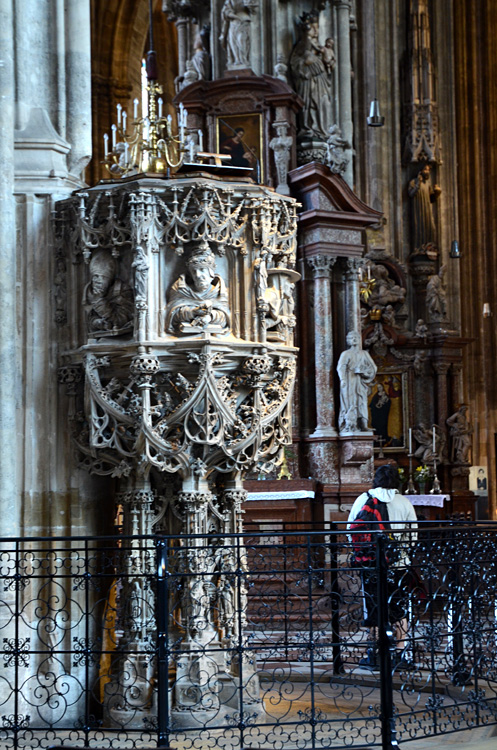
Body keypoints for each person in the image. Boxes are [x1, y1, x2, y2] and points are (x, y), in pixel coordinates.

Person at [348, 464, 418, 670]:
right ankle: (399, 652)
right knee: (399, 607)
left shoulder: (363, 499)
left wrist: (363, 552)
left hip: (370, 564)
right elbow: (413, 536)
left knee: (373, 606)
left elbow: (350, 529)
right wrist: (400, 553)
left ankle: (375, 652)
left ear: (375, 479)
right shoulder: (404, 502)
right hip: (398, 564)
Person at [165, 243, 231, 334]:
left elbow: (225, 317)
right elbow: (172, 316)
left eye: (202, 269)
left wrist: (210, 317)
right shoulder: (180, 289)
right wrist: (192, 312)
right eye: (193, 271)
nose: (198, 275)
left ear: (211, 271)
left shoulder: (219, 291)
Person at [83, 250, 134, 334]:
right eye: (94, 277)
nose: (96, 281)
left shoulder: (122, 290)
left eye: (100, 277)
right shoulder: (91, 292)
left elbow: (123, 320)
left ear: (108, 278)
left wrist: (100, 302)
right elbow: (90, 318)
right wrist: (97, 323)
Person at [337, 331, 377, 433]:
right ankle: (350, 424)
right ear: (348, 341)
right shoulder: (346, 354)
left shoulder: (364, 354)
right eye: (351, 338)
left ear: (359, 340)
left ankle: (363, 425)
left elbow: (373, 367)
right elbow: (341, 367)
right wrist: (342, 379)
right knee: (350, 402)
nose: (354, 339)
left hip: (360, 381)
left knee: (362, 401)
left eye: (356, 337)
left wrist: (363, 372)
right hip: (349, 380)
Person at [407, 163, 441, 252]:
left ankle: (429, 247)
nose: (427, 172)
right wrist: (418, 184)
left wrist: (437, 193)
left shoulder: (427, 184)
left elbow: (432, 199)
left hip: (427, 211)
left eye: (428, 170)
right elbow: (411, 193)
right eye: (425, 169)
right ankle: (419, 248)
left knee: (431, 228)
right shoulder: (413, 182)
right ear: (420, 171)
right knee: (419, 229)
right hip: (418, 210)